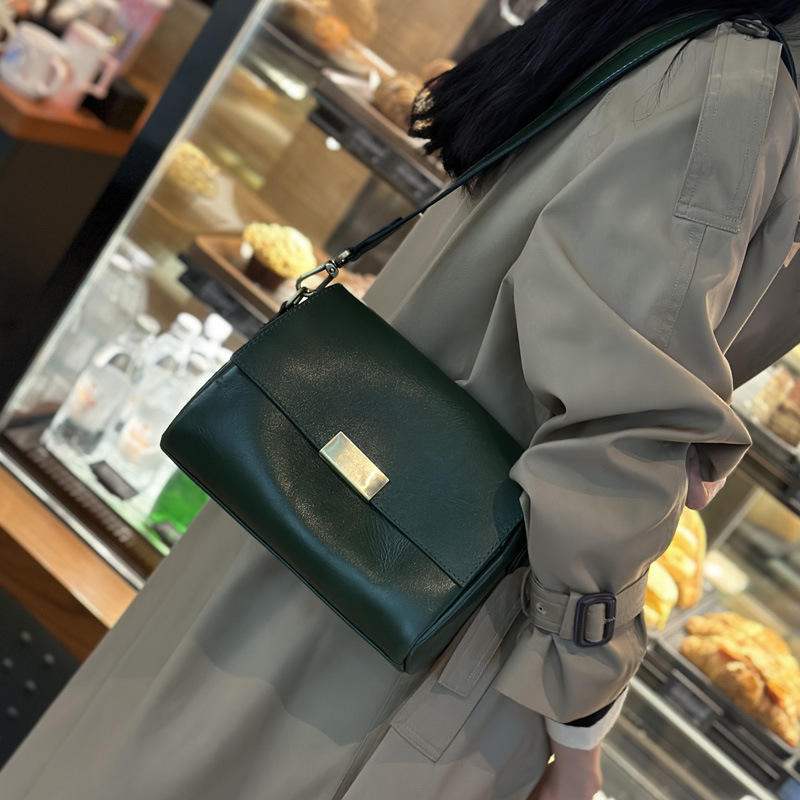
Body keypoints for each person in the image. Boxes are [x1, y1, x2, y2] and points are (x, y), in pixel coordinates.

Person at [3, 1, 800, 798]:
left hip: (314, 521)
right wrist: (581, 723)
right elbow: (613, 443)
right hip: (418, 620)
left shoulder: (670, 28)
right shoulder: (743, 92)